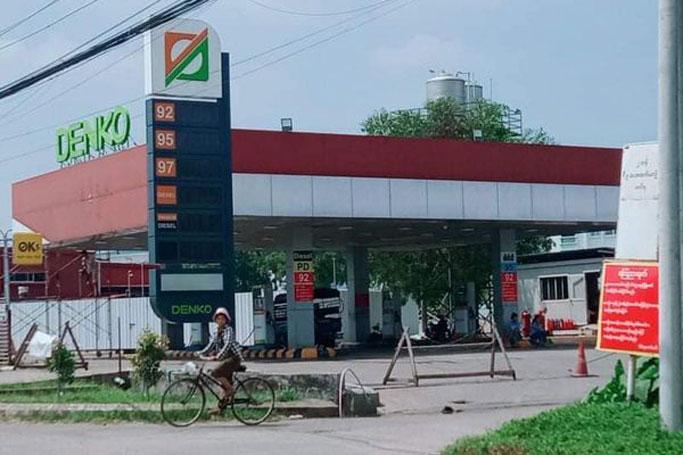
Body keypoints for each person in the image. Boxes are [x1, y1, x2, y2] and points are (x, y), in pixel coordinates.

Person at [198, 307, 244, 414]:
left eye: (222, 319)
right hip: (226, 360)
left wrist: (218, 356)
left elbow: (227, 344)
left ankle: (230, 390)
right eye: (218, 319)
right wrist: (199, 353)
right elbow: (210, 345)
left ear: (226, 320)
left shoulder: (228, 330)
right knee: (222, 385)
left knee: (215, 372)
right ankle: (220, 410)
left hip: (233, 359)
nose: (220, 321)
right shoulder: (216, 333)